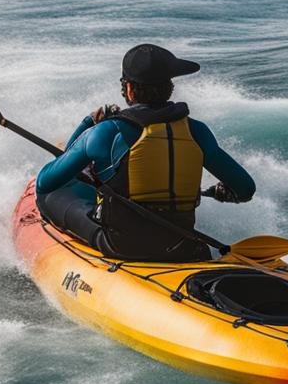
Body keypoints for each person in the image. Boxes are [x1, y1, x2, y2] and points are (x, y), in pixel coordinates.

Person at [36, 43, 256, 261]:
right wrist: (223, 192)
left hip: (120, 246)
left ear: (129, 89)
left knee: (50, 196)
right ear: (169, 87)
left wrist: (88, 122)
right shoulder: (197, 131)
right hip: (180, 243)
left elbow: (46, 182)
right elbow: (245, 189)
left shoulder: (106, 131)